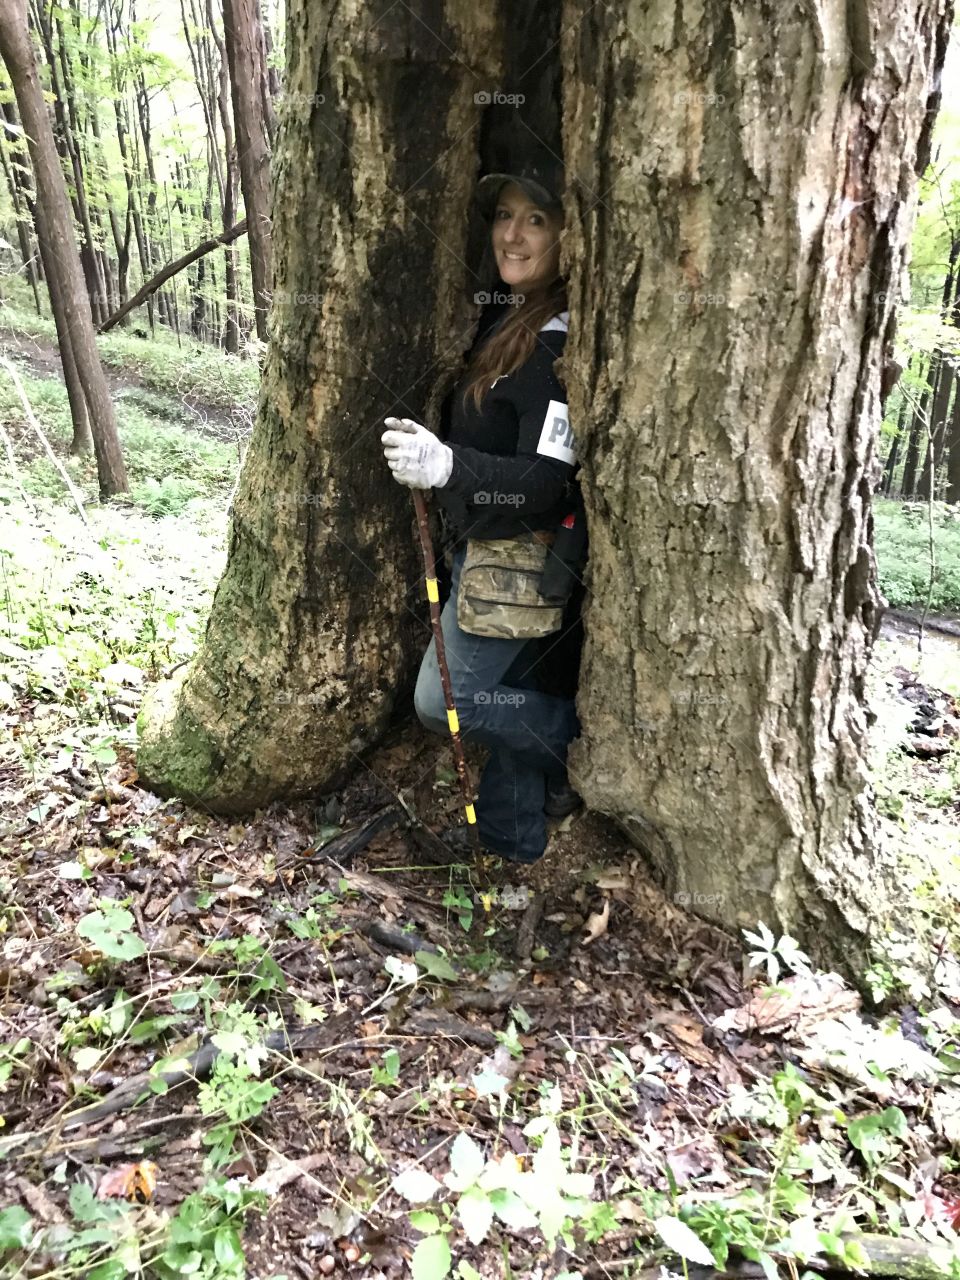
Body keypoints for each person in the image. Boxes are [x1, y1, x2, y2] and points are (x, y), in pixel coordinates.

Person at [380, 156, 586, 865]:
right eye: (504, 215)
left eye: (536, 219)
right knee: (510, 688)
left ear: (568, 237)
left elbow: (547, 480)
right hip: (483, 549)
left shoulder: (554, 342)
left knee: (448, 704)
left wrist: (447, 465)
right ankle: (514, 841)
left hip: (520, 558)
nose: (514, 235)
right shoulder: (505, 319)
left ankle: (582, 742)